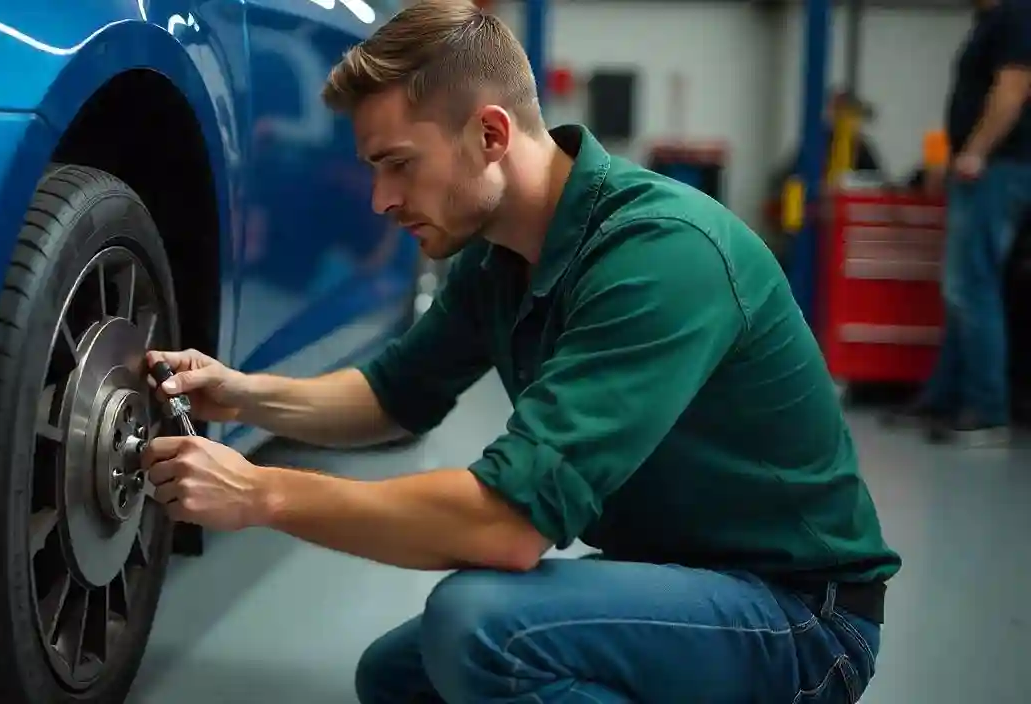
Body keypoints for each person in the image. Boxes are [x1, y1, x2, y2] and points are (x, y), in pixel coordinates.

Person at [138, 1, 900, 701]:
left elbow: (504, 526)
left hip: (801, 617)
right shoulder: (499, 259)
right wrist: (240, 395)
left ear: (492, 135)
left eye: (399, 163)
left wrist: (262, 493)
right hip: (679, 576)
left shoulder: (661, 255)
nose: (380, 200)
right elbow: (392, 395)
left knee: (481, 627)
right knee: (399, 680)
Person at [886, 0, 1031, 446]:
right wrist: (949, 156)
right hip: (983, 170)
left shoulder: (1017, 15)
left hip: (997, 169)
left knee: (973, 286)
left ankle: (987, 411)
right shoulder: (990, 21)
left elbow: (1012, 89)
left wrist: (975, 152)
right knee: (960, 288)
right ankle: (945, 397)